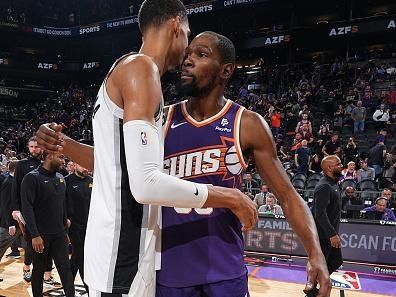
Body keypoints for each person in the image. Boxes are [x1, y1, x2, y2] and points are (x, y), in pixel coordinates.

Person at [36, 1, 257, 296]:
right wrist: (230, 197)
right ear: (176, 24)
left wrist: (63, 144)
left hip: (113, 252)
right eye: (188, 35)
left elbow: (114, 162)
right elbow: (145, 185)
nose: (187, 50)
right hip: (124, 254)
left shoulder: (126, 70)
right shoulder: (141, 69)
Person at [158, 32, 330, 297]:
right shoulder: (163, 120)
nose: (187, 60)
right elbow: (117, 167)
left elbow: (288, 196)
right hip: (169, 271)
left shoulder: (247, 124)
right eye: (188, 53)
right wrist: (69, 144)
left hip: (225, 271)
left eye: (201, 54)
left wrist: (315, 253)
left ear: (226, 70)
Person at [21, 151, 75, 297]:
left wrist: (65, 229)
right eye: (61, 157)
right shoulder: (31, 178)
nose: (63, 161)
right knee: (38, 270)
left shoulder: (60, 177)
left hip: (59, 234)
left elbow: (62, 205)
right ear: (50, 156)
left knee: (65, 269)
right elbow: (27, 208)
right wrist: (35, 235)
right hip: (41, 235)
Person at [11, 136, 44, 282]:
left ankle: (46, 271)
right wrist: (16, 209)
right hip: (27, 210)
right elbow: (15, 187)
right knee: (31, 241)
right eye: (31, 147)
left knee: (46, 240)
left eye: (36, 146)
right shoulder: (22, 164)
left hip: (44, 210)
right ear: (28, 148)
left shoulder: (46, 163)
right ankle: (26, 266)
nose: (34, 149)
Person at [310, 155, 343, 296]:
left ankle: (315, 285)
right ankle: (313, 290)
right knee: (321, 266)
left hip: (330, 233)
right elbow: (320, 214)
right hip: (323, 235)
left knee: (336, 261)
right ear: (329, 168)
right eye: (338, 164)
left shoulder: (333, 183)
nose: (341, 166)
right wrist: (332, 234)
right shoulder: (324, 186)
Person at [65, 162, 92, 293]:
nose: (86, 168)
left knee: (76, 256)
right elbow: (62, 204)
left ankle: (68, 286)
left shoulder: (92, 181)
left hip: (91, 225)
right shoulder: (66, 181)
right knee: (82, 256)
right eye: (83, 165)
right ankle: (88, 288)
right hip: (74, 226)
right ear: (74, 165)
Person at [0, 159, 22, 281]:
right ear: (17, 170)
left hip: (18, 223)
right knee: (1, 247)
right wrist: (10, 224)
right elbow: (6, 204)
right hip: (8, 224)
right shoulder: (9, 183)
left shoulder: (16, 181)